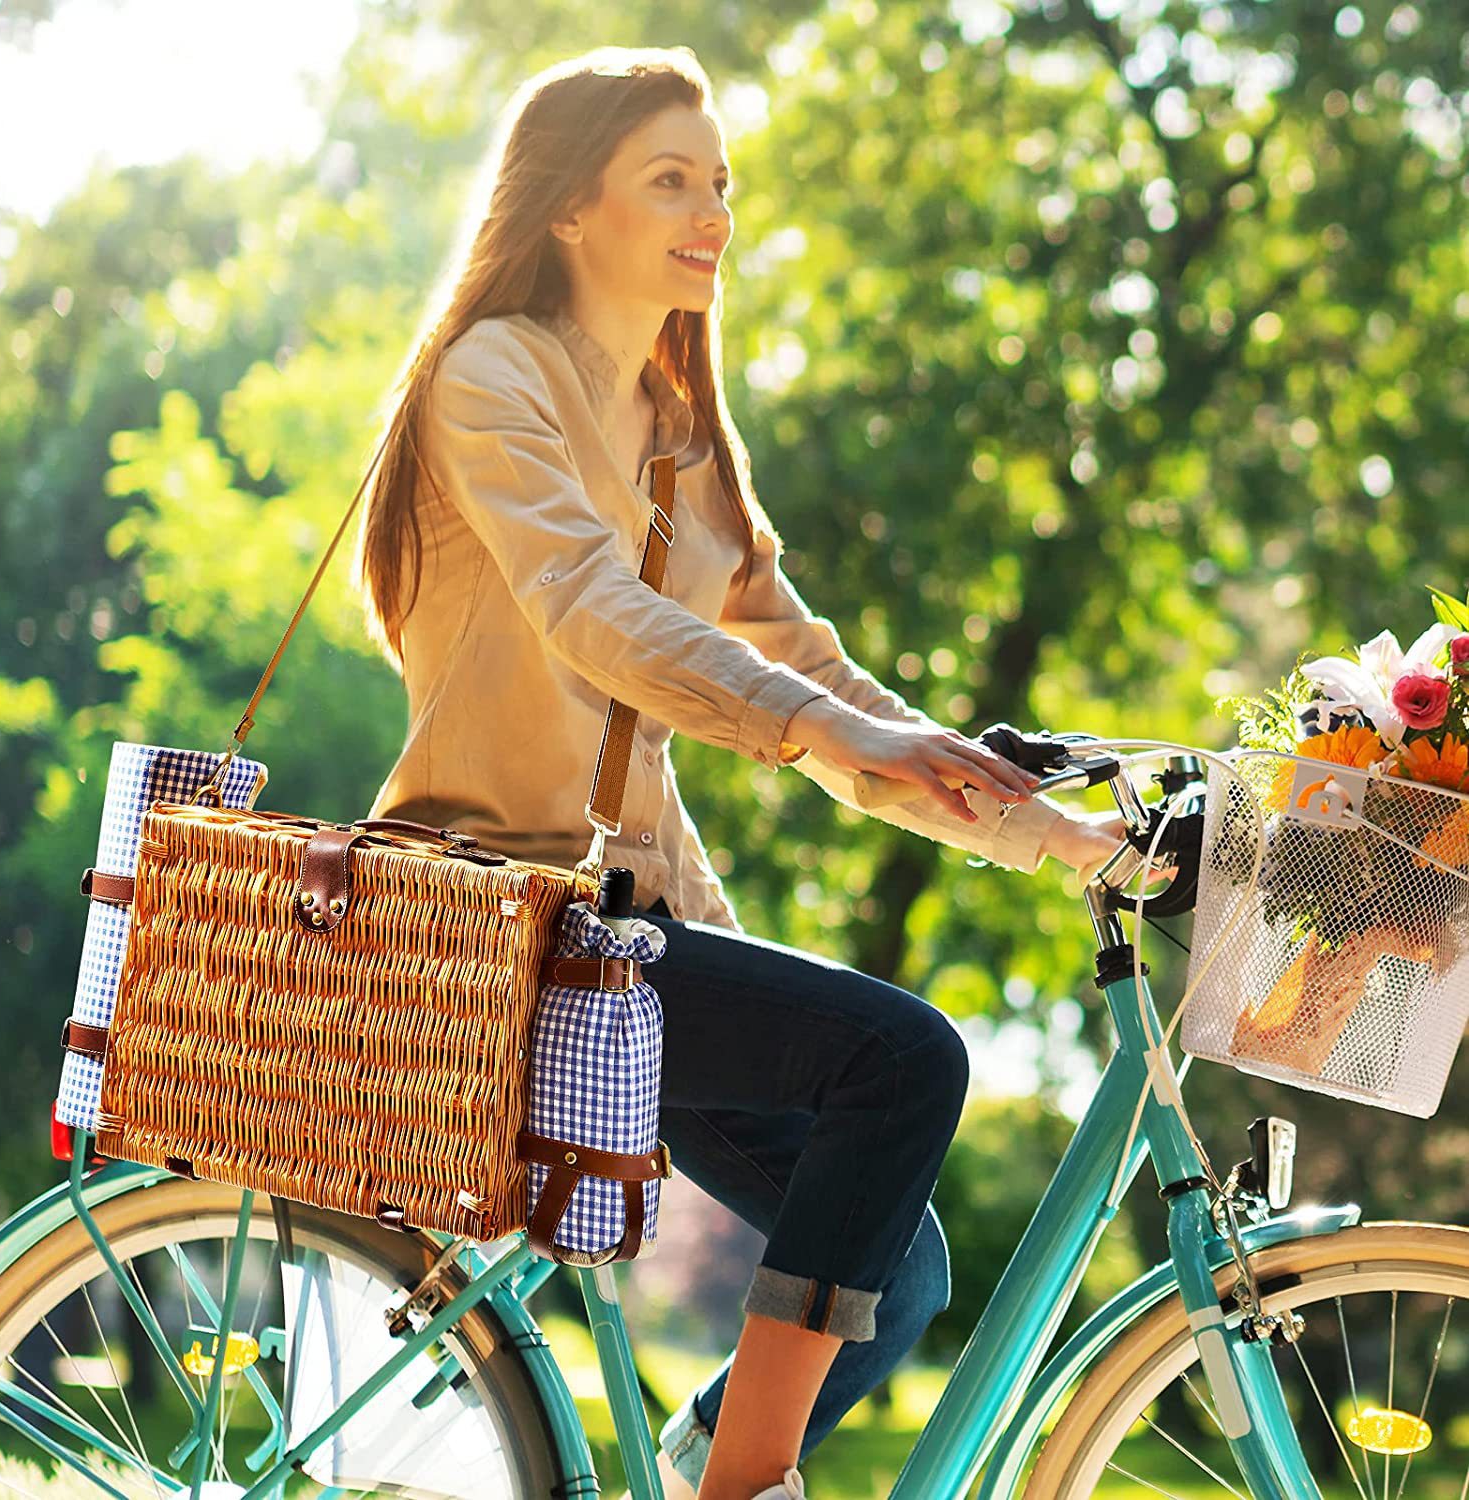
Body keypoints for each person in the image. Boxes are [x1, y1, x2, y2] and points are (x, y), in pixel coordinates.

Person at [352, 44, 1139, 1500]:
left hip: (633, 933)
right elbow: (594, 612)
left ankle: (708, 1461)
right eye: (670, 181)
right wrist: (825, 729)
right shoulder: (493, 375)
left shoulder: (682, 436)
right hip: (507, 915)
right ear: (570, 207)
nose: (711, 212)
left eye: (720, 184)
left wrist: (1091, 850)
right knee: (904, 1061)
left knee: (891, 1276)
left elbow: (829, 686)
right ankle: (748, 1489)